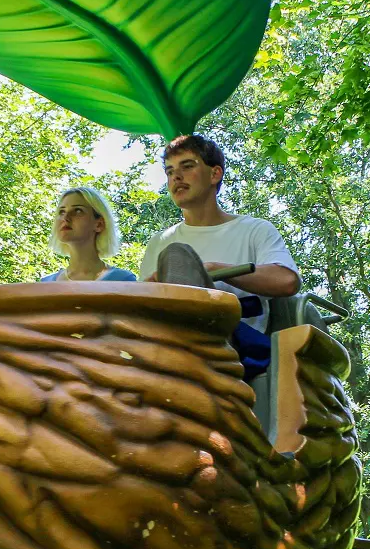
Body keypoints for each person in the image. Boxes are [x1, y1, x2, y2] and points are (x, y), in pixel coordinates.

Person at [140, 134, 299, 377]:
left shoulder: (255, 229)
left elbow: (286, 280)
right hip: (167, 346)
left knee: (177, 256)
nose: (176, 177)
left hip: (236, 350)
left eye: (187, 166)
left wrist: (215, 270)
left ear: (215, 174)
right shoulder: (160, 241)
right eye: (170, 171)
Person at [40, 185, 138, 283]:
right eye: (61, 212)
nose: (65, 217)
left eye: (78, 210)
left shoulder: (122, 280)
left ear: (99, 224)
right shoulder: (46, 284)